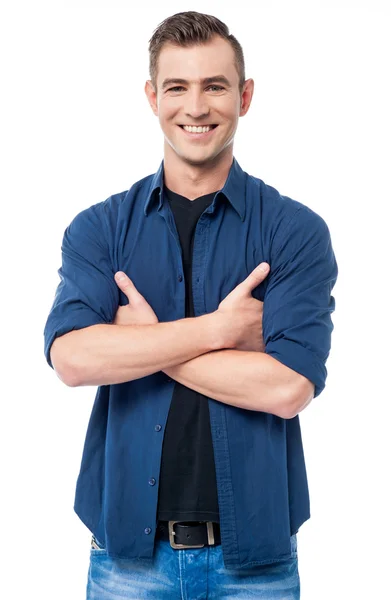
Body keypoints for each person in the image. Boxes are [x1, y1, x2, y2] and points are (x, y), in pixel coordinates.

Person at [43, 10, 338, 600]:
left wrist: (143, 343)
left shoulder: (294, 232)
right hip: (127, 560)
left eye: (215, 86)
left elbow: (287, 390)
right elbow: (73, 360)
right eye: (177, 87)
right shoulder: (101, 229)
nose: (195, 107)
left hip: (255, 565)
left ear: (245, 96)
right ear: (152, 97)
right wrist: (219, 331)